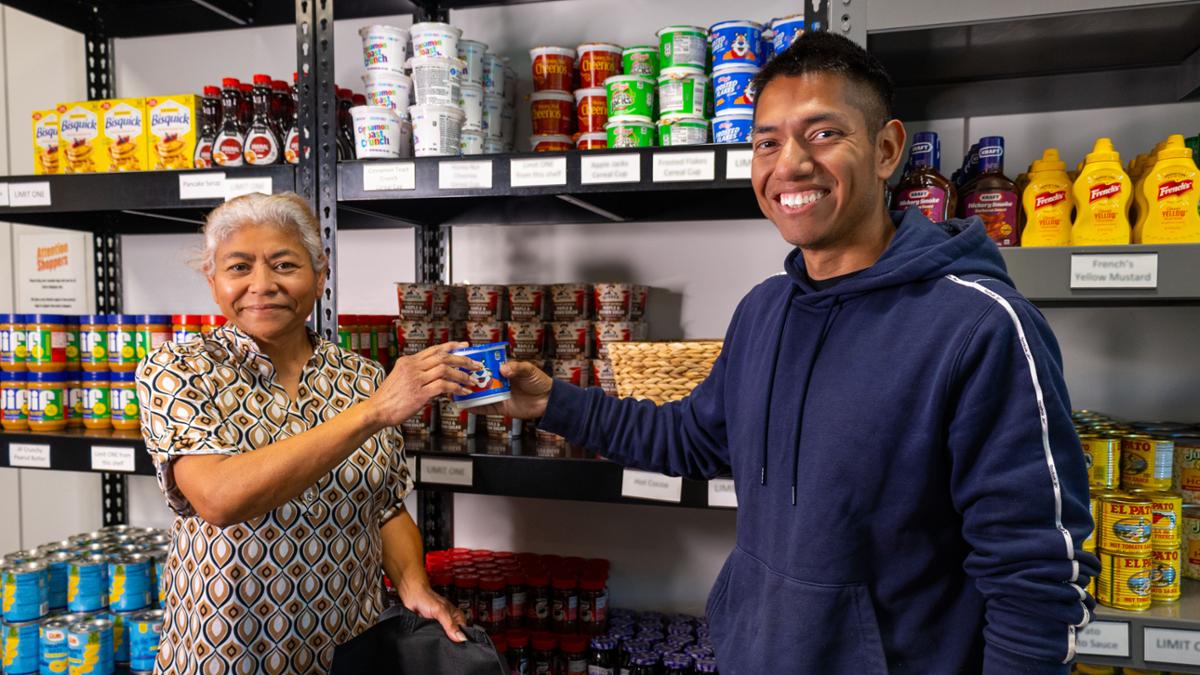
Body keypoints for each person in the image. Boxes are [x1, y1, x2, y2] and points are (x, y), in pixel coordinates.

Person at [483, 32, 1097, 674]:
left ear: (887, 149)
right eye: (766, 142)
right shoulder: (764, 311)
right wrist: (555, 401)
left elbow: (1036, 580)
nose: (790, 164)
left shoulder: (981, 327)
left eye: (823, 133)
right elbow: (692, 438)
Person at [136, 192, 480, 674]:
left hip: (349, 648)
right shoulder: (179, 370)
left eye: (283, 264)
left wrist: (413, 584)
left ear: (320, 277)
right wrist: (370, 414)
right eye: (239, 267)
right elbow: (219, 497)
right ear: (212, 282)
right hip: (228, 651)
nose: (263, 284)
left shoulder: (359, 376)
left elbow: (385, 505)